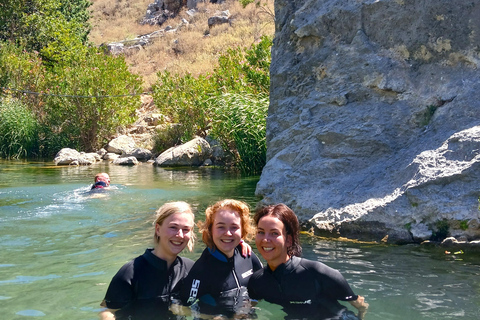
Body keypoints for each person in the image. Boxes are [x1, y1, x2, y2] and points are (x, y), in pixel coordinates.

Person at [247, 204, 369, 320]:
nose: (265, 239)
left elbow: (361, 305)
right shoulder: (258, 282)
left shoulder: (317, 273)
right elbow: (246, 309)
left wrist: (361, 314)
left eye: (274, 233)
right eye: (261, 232)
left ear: (288, 240)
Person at [99, 201, 196, 320]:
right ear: (158, 229)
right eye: (173, 227)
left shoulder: (192, 269)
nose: (180, 235)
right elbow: (108, 310)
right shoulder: (131, 272)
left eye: (186, 229)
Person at [176, 199, 263, 317]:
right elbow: (179, 307)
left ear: (243, 230)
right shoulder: (201, 270)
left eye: (234, 227)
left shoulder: (247, 256)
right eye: (221, 227)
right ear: (210, 230)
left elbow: (264, 288)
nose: (228, 233)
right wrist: (211, 317)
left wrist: (248, 307)